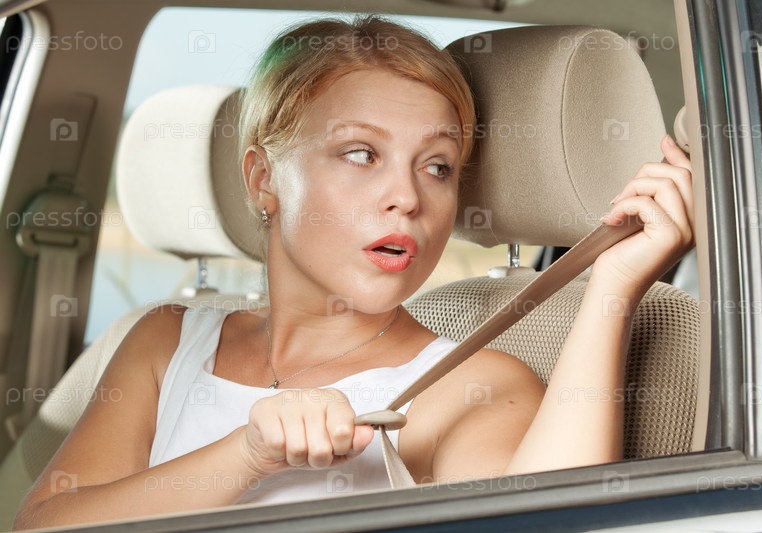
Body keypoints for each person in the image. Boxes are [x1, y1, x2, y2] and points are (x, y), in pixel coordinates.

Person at [14, 15, 694, 529]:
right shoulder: (164, 340)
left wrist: (612, 288)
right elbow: (41, 524)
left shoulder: (470, 386)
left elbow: (552, 521)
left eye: (437, 166)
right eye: (361, 154)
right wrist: (248, 453)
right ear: (263, 179)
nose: (407, 196)